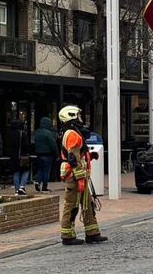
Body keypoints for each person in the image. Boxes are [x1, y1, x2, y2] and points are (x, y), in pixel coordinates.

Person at [57, 105, 107, 245]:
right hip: (75, 176)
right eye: (78, 115)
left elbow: (78, 154)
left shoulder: (73, 132)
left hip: (79, 175)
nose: (81, 118)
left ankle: (92, 233)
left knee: (87, 204)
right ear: (71, 116)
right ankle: (67, 236)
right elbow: (73, 158)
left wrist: (90, 155)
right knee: (71, 206)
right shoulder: (72, 134)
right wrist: (79, 178)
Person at [8, 111, 32, 196]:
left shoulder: (10, 134)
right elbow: (26, 145)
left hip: (13, 157)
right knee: (26, 171)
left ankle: (17, 190)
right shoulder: (23, 133)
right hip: (22, 156)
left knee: (16, 172)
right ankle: (22, 186)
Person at [34, 116, 57, 193]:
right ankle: (44, 186)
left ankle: (37, 181)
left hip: (38, 154)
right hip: (48, 154)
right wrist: (56, 154)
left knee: (40, 169)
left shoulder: (37, 132)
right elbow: (53, 145)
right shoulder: (49, 133)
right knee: (46, 171)